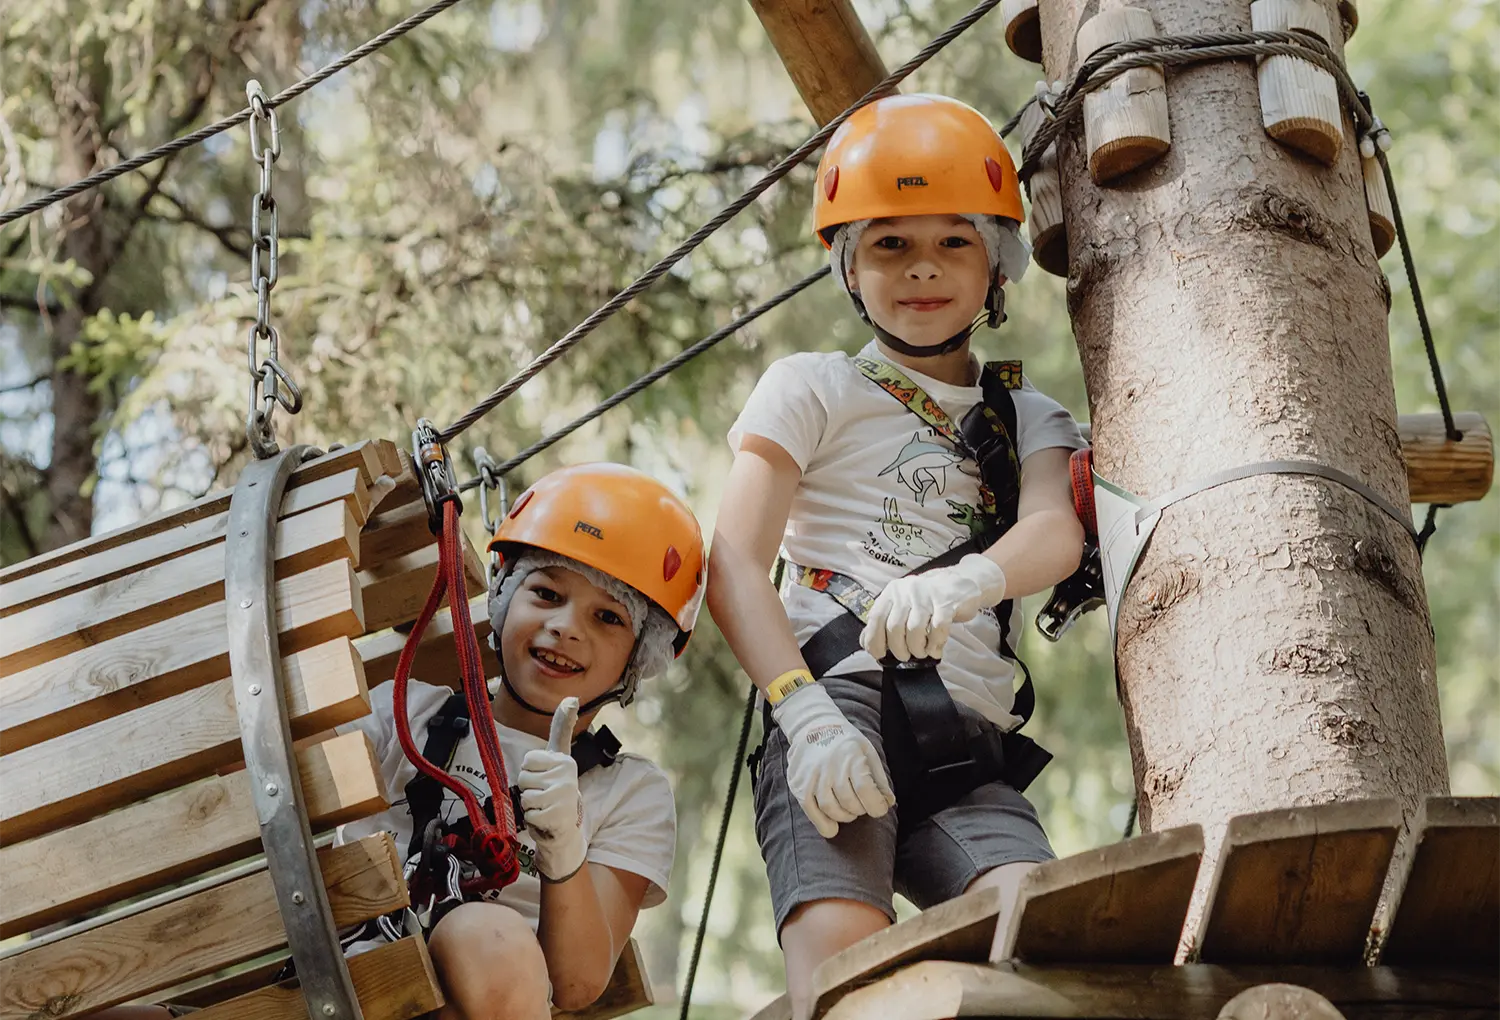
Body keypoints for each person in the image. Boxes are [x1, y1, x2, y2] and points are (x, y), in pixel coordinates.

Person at [705, 93, 1087, 1017]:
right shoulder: (812, 388)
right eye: (889, 245)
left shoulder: (1026, 416)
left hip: (969, 736)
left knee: (1035, 943)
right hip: (839, 701)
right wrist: (804, 718)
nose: (923, 269)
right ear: (849, 266)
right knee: (844, 975)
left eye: (952, 243)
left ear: (994, 262)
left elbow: (1054, 531)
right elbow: (732, 564)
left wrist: (974, 578)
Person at [101, 462, 704, 1020]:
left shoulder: (629, 793)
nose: (565, 626)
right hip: (343, 982)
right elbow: (266, 754)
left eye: (609, 617)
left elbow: (576, 984)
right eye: (545, 593)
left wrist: (565, 855)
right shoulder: (406, 711)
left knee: (488, 936)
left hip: (481, 991)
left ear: (639, 658)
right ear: (502, 597)